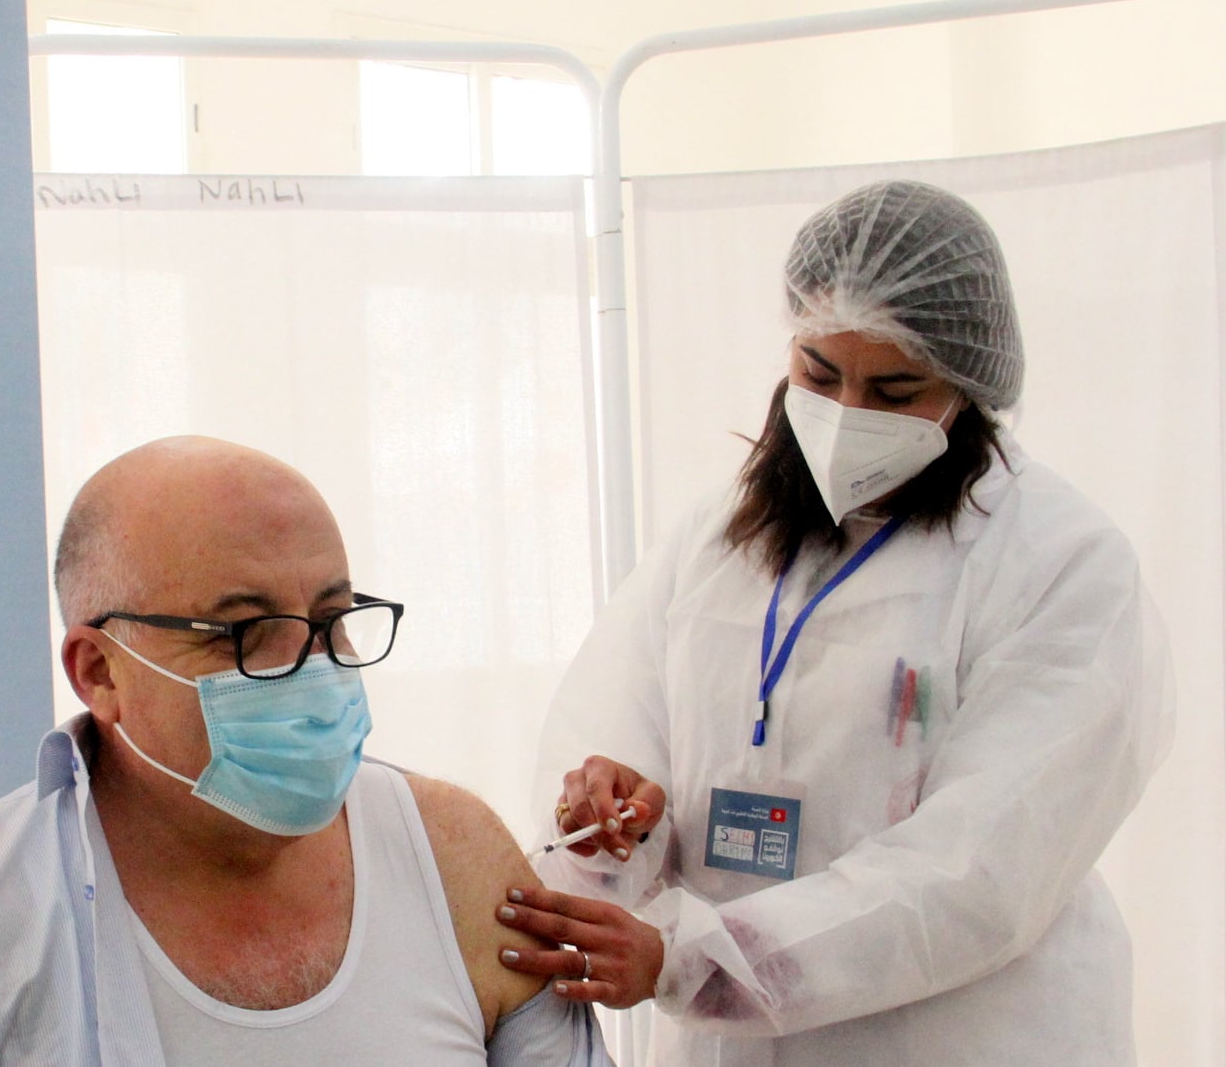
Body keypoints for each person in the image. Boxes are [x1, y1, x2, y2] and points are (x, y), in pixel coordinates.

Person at [493, 180, 1171, 1065]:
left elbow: (978, 870)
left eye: (894, 389)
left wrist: (694, 959)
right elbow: (619, 712)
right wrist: (618, 813)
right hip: (728, 1034)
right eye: (817, 373)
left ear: (969, 387)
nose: (847, 414)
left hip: (962, 1037)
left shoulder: (1059, 561)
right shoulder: (720, 536)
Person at [0, 436, 610, 1065]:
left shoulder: (452, 854)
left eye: (331, 619)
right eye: (245, 632)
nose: (311, 668)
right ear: (100, 671)